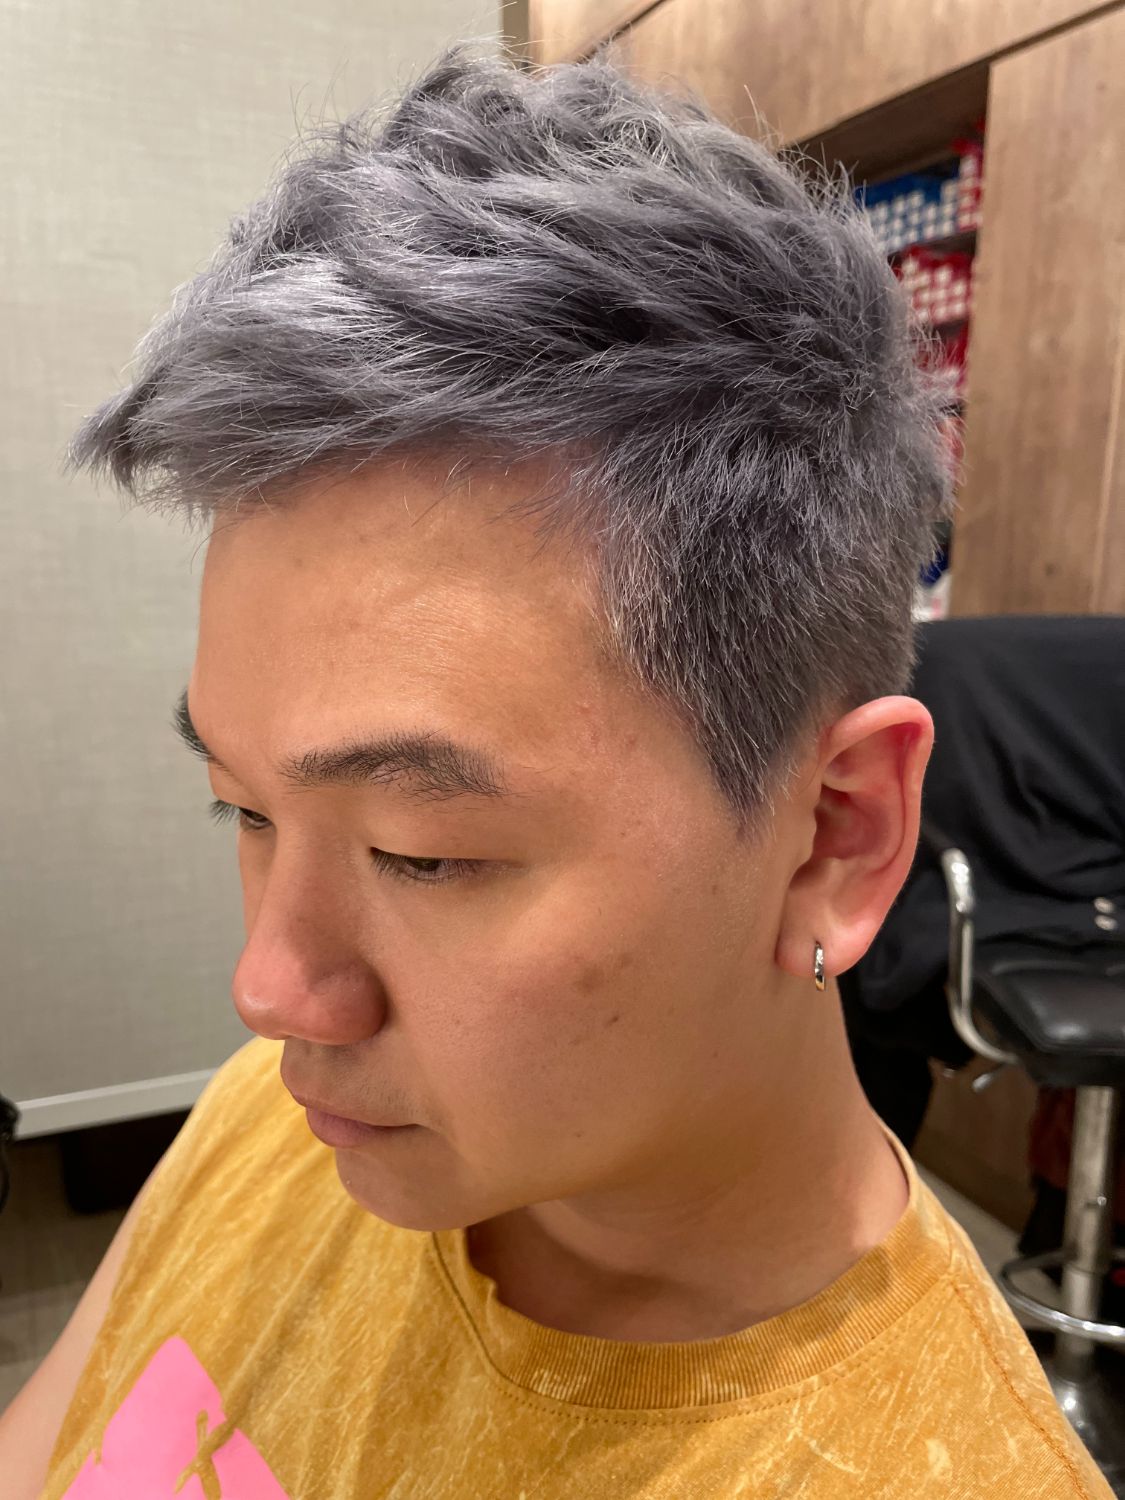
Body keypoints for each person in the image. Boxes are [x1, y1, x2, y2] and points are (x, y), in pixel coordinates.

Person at [3, 41, 1112, 1500]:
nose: (269, 993)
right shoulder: (275, 1117)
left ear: (833, 835)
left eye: (423, 851)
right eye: (245, 808)